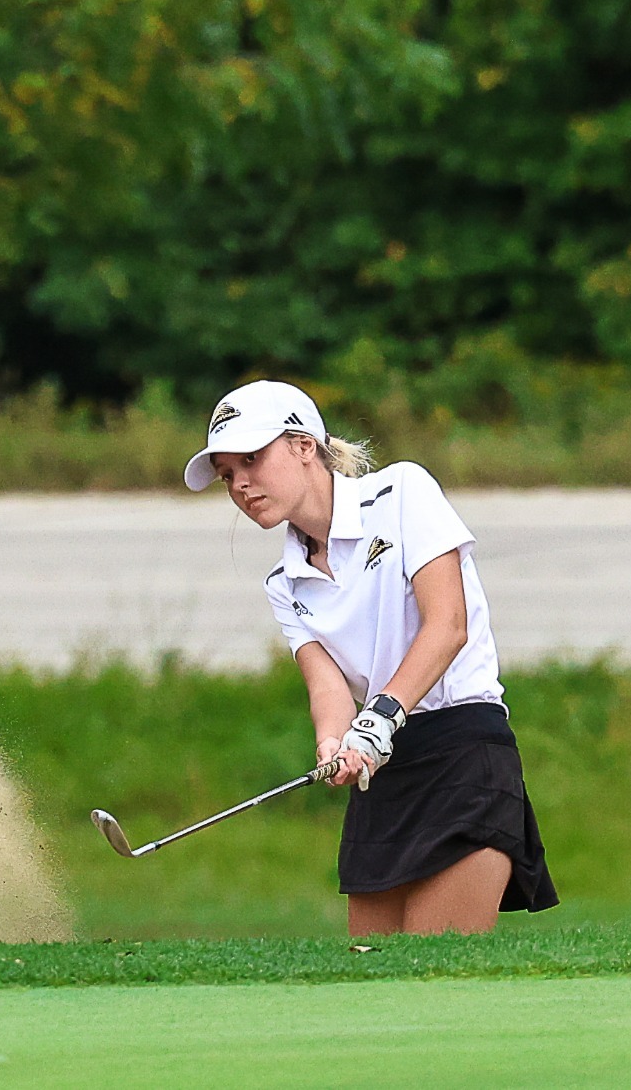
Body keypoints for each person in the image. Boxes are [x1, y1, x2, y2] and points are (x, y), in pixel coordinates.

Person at [184, 380, 558, 934]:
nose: (241, 483)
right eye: (227, 474)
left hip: (463, 751)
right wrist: (335, 742)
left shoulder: (403, 491)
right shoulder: (284, 583)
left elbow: (447, 624)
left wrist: (379, 717)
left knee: (433, 978)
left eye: (252, 459)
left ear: (303, 445)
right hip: (384, 771)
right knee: (370, 981)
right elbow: (328, 686)